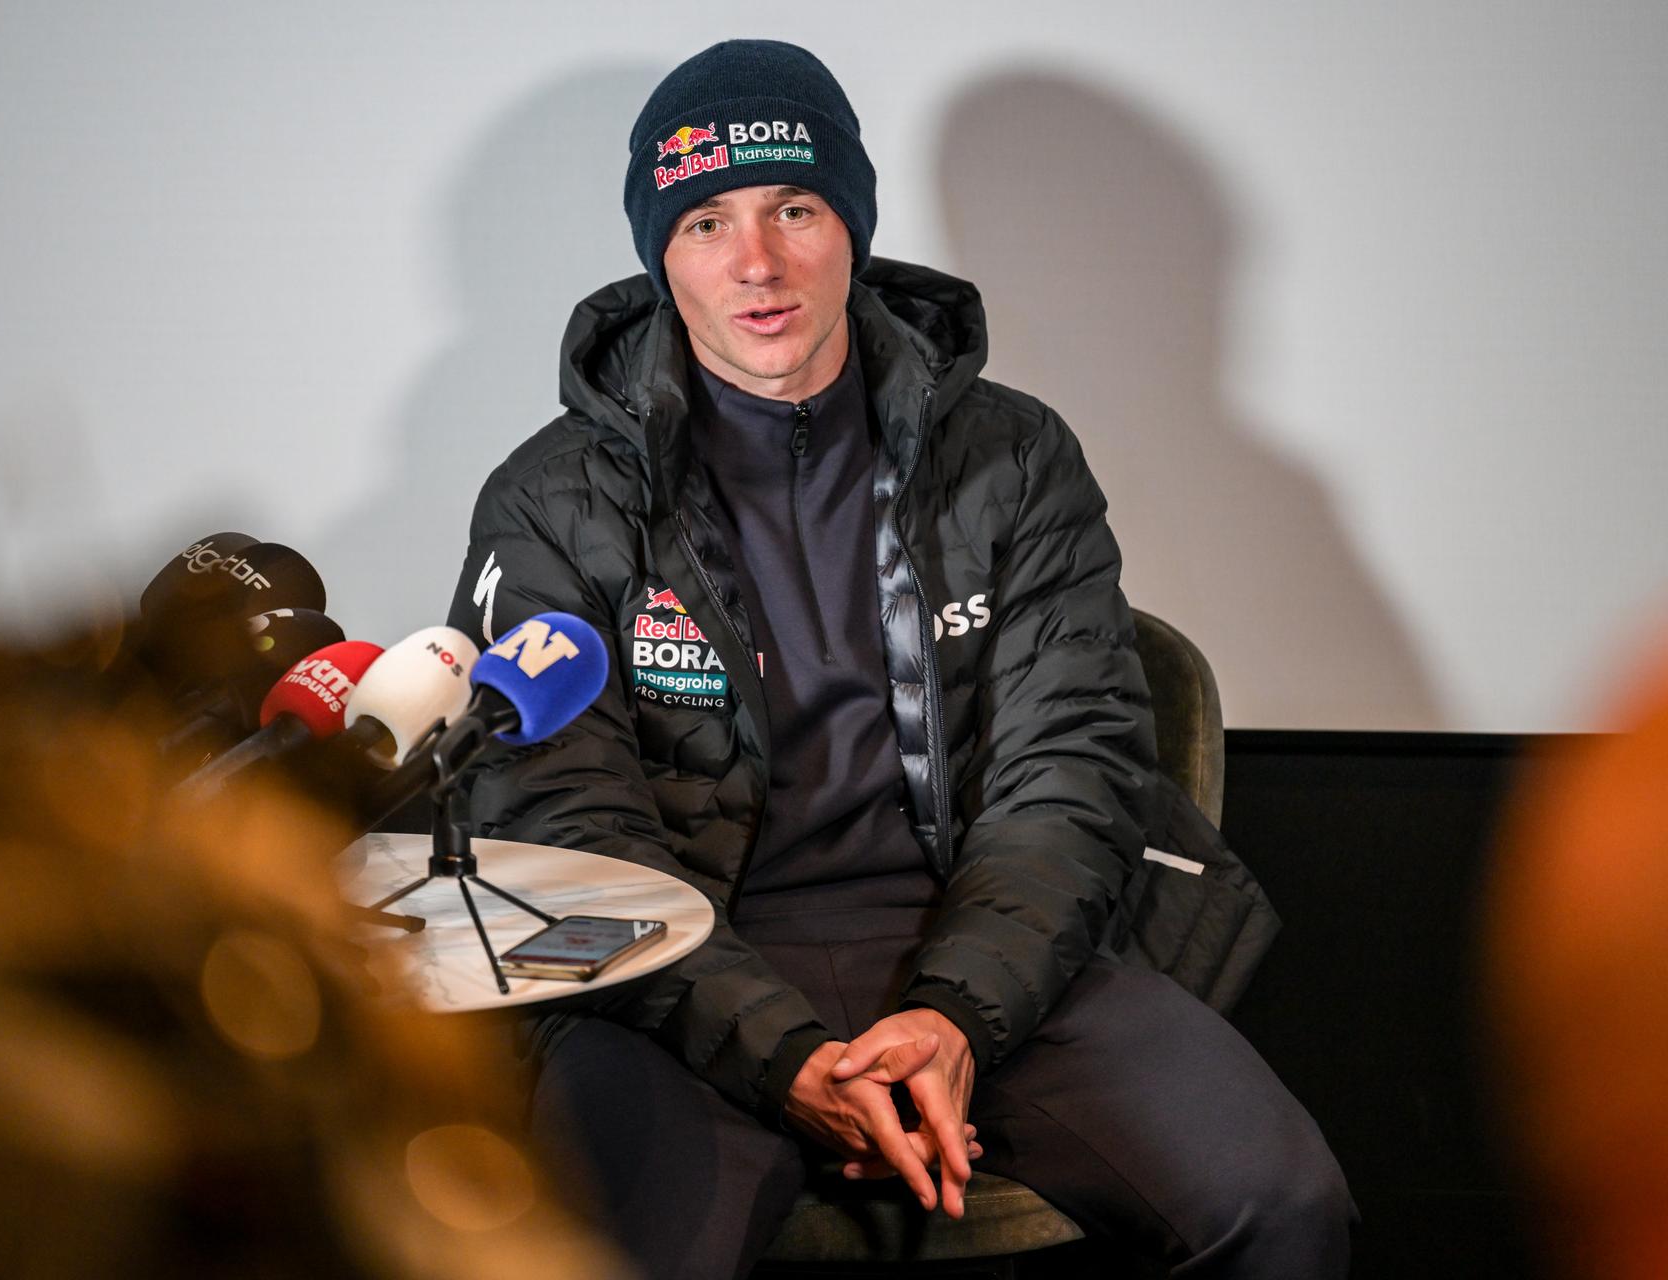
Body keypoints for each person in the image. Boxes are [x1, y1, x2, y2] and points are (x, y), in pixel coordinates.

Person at [446, 38, 1353, 1279]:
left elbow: (1066, 774)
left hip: (992, 958)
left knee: (1282, 1199)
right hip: (682, 976)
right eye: (707, 221)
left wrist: (951, 1016)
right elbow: (566, 828)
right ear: (661, 254)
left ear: (854, 225)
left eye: (796, 209)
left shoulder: (1015, 457)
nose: (757, 262)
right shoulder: (553, 499)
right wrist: (782, 1054)